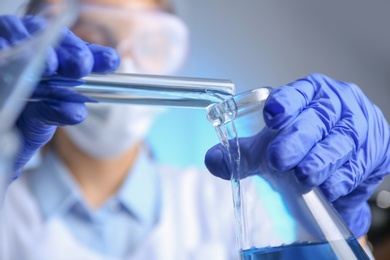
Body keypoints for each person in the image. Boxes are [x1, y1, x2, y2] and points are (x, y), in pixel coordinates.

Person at [0, 0, 388, 259]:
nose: (125, 65)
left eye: (149, 43)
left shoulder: (228, 205)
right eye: (91, 38)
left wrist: (328, 220)